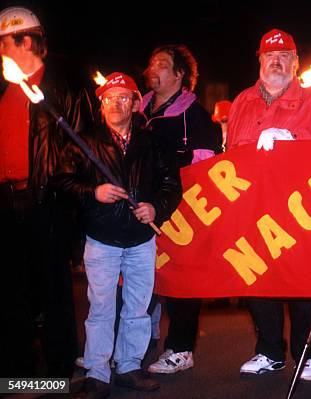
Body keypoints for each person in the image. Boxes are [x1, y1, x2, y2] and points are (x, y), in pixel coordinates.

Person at [227, 28, 311, 381]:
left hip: (301, 208)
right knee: (260, 279)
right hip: (256, 207)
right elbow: (231, 155)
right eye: (269, 55)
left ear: (296, 63)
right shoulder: (241, 101)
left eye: (284, 56)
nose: (276, 61)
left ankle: (307, 355)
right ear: (259, 60)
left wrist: (293, 137)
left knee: (304, 282)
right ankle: (269, 351)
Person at [55, 72, 182, 397]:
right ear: (101, 104)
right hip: (102, 238)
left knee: (138, 308)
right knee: (100, 308)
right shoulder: (84, 140)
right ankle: (98, 371)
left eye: (124, 97)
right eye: (109, 98)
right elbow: (63, 182)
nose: (116, 103)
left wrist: (156, 208)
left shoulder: (151, 142)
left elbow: (171, 185)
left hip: (141, 239)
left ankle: (129, 366)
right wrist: (93, 192)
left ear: (136, 103)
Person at [0, 6, 93, 378]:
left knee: (54, 290)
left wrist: (61, 189)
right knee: (10, 291)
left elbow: (82, 144)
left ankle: (57, 371)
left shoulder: (61, 86)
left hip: (47, 201)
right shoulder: (5, 88)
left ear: (26, 41)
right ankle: (17, 371)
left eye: (4, 42)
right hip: (6, 203)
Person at [141, 44, 222, 375]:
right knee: (140, 280)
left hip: (182, 214)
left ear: (179, 75)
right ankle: (137, 342)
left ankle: (181, 348)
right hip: (142, 212)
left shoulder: (195, 116)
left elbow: (208, 165)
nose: (152, 70)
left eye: (162, 64)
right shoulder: (136, 112)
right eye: (151, 64)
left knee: (181, 281)